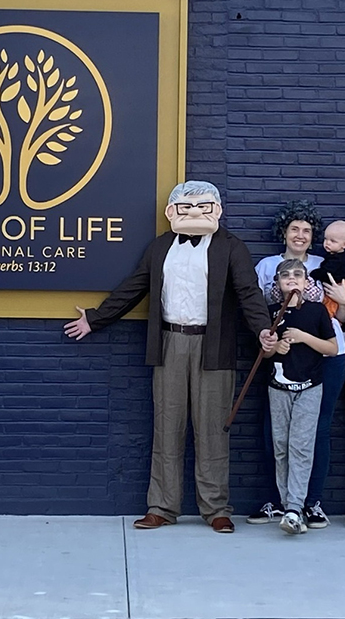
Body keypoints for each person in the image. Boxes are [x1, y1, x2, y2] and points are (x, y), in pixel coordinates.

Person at [63, 181, 276, 533]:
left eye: (202, 207)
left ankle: (216, 507)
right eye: (185, 206)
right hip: (169, 343)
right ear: (172, 211)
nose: (194, 213)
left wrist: (262, 331)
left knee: (212, 430)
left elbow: (248, 293)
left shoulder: (231, 247)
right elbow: (135, 286)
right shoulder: (161, 246)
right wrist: (95, 318)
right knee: (167, 427)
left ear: (216, 209)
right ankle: (162, 505)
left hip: (213, 346)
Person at [249, 201, 345, 529]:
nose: (301, 235)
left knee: (316, 431)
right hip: (281, 357)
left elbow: (342, 316)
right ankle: (280, 501)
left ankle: (311, 503)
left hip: (324, 356)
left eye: (307, 231)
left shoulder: (327, 264)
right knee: (275, 433)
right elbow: (257, 311)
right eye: (295, 229)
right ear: (284, 232)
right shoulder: (267, 266)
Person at [263, 259, 338, 535]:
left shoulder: (317, 312)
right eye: (286, 276)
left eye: (298, 275)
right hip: (278, 387)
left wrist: (303, 337)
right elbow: (265, 352)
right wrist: (276, 347)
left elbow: (331, 348)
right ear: (278, 283)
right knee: (280, 445)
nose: (292, 280)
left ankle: (296, 506)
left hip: (309, 387)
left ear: (307, 282)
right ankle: (286, 505)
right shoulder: (271, 312)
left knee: (301, 446)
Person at [310, 220, 345, 319]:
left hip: (340, 286)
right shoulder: (332, 256)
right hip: (334, 286)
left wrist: (312, 274)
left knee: (331, 306)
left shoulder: (338, 259)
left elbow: (326, 272)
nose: (327, 243)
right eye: (326, 239)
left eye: (333, 241)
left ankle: (328, 320)